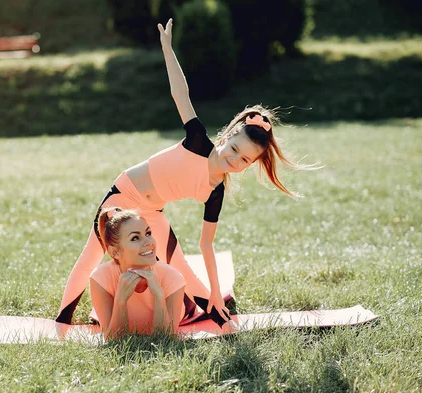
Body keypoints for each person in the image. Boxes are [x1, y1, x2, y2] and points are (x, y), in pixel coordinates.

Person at [57, 18, 307, 327]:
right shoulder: (198, 141)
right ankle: (61, 322)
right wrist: (167, 48)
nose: (235, 160)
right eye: (234, 150)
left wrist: (215, 293)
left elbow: (206, 246)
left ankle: (216, 315)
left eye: (244, 160)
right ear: (226, 138)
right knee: (92, 256)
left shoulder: (216, 191)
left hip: (150, 211)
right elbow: (180, 94)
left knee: (181, 269)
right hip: (123, 197)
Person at [90, 207, 186, 339]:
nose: (148, 242)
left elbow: (165, 340)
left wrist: (158, 295)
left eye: (148, 233)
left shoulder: (173, 278)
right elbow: (113, 340)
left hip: (184, 307)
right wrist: (120, 300)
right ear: (115, 252)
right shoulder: (100, 278)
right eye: (135, 238)